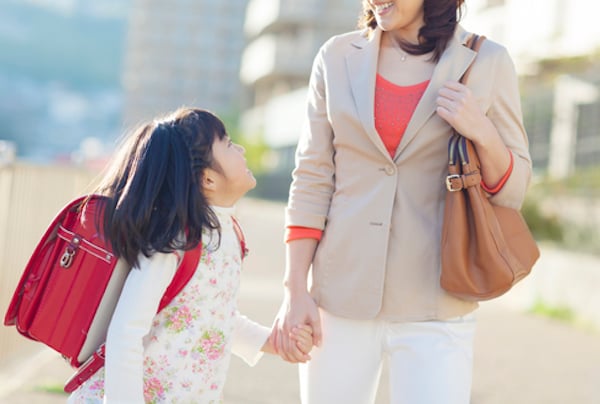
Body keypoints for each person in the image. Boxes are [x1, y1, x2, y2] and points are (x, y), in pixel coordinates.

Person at [272, 1, 532, 403]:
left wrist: (483, 133)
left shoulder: (487, 61)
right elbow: (312, 177)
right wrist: (294, 290)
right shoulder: (337, 56)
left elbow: (514, 190)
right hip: (340, 297)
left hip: (437, 301)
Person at [68, 107, 313, 403]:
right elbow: (126, 332)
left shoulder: (227, 233)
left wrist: (270, 341)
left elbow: (210, 315)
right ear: (208, 179)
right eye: (229, 144)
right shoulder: (174, 242)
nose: (242, 149)